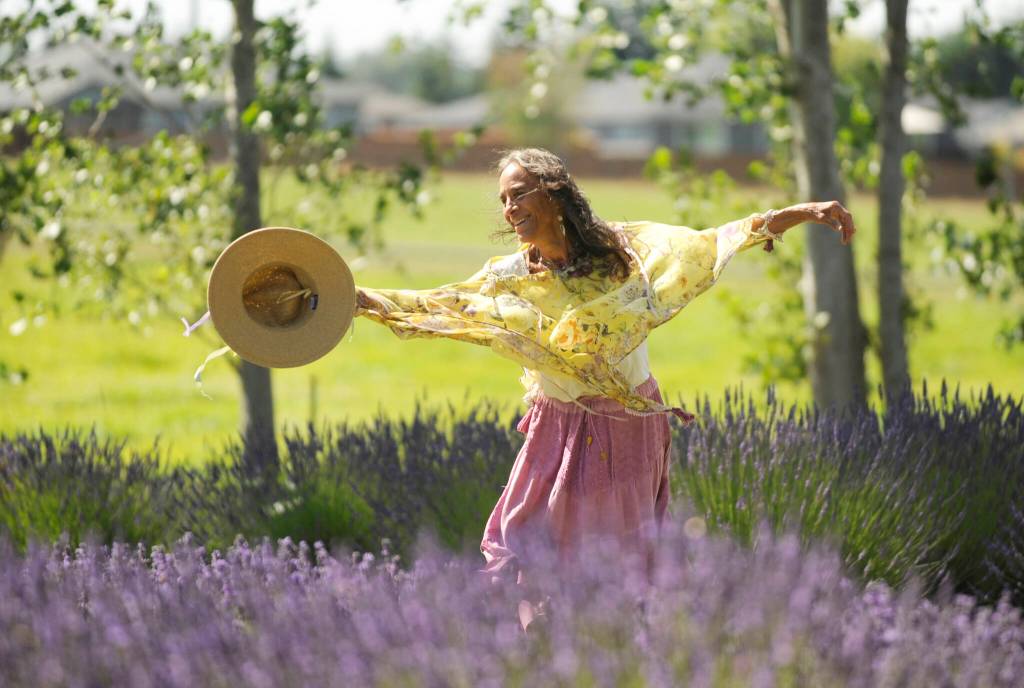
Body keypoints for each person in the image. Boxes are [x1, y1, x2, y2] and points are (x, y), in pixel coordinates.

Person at [354, 148, 855, 630]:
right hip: (557, 425)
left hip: (626, 427)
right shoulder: (510, 278)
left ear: (554, 194)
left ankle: (614, 656)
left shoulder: (622, 252)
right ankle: (542, 657)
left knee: (615, 566)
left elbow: (707, 246)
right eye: (504, 199)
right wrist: (357, 300)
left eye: (520, 193)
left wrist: (797, 214)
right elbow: (440, 306)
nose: (510, 208)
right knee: (526, 546)